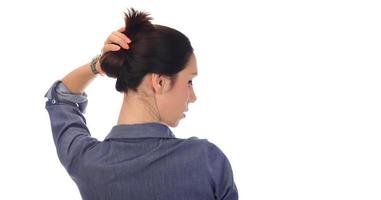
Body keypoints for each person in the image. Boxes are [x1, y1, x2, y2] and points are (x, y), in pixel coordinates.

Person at [44, 8, 238, 200]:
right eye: (189, 81)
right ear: (160, 82)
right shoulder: (207, 161)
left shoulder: (87, 163)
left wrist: (100, 64)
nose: (193, 96)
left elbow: (61, 98)